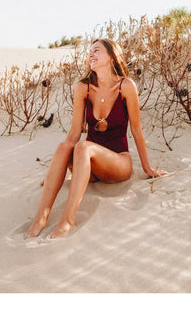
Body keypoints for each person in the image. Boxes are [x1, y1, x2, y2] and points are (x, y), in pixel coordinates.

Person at [27, 38, 167, 239]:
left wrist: (147, 168)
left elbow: (136, 130)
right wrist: (54, 172)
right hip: (89, 169)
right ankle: (41, 217)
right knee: (63, 147)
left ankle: (67, 220)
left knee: (83, 147)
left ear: (111, 57)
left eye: (97, 50)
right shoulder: (82, 87)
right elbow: (75, 132)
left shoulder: (126, 86)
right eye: (89, 51)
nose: (90, 54)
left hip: (118, 163)